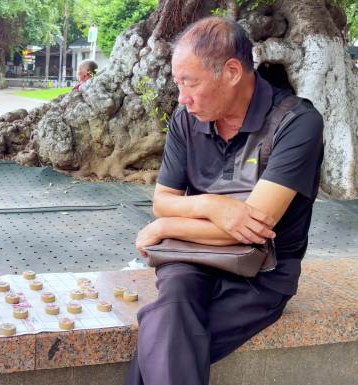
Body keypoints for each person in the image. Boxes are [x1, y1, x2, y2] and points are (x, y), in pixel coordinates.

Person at [125, 17, 324, 385]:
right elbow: (163, 199)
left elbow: (253, 227)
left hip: (263, 273)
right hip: (192, 258)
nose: (182, 97)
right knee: (171, 312)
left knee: (163, 338)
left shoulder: (296, 122)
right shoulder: (187, 120)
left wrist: (166, 226)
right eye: (178, 83)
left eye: (191, 83)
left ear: (232, 71)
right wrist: (210, 206)